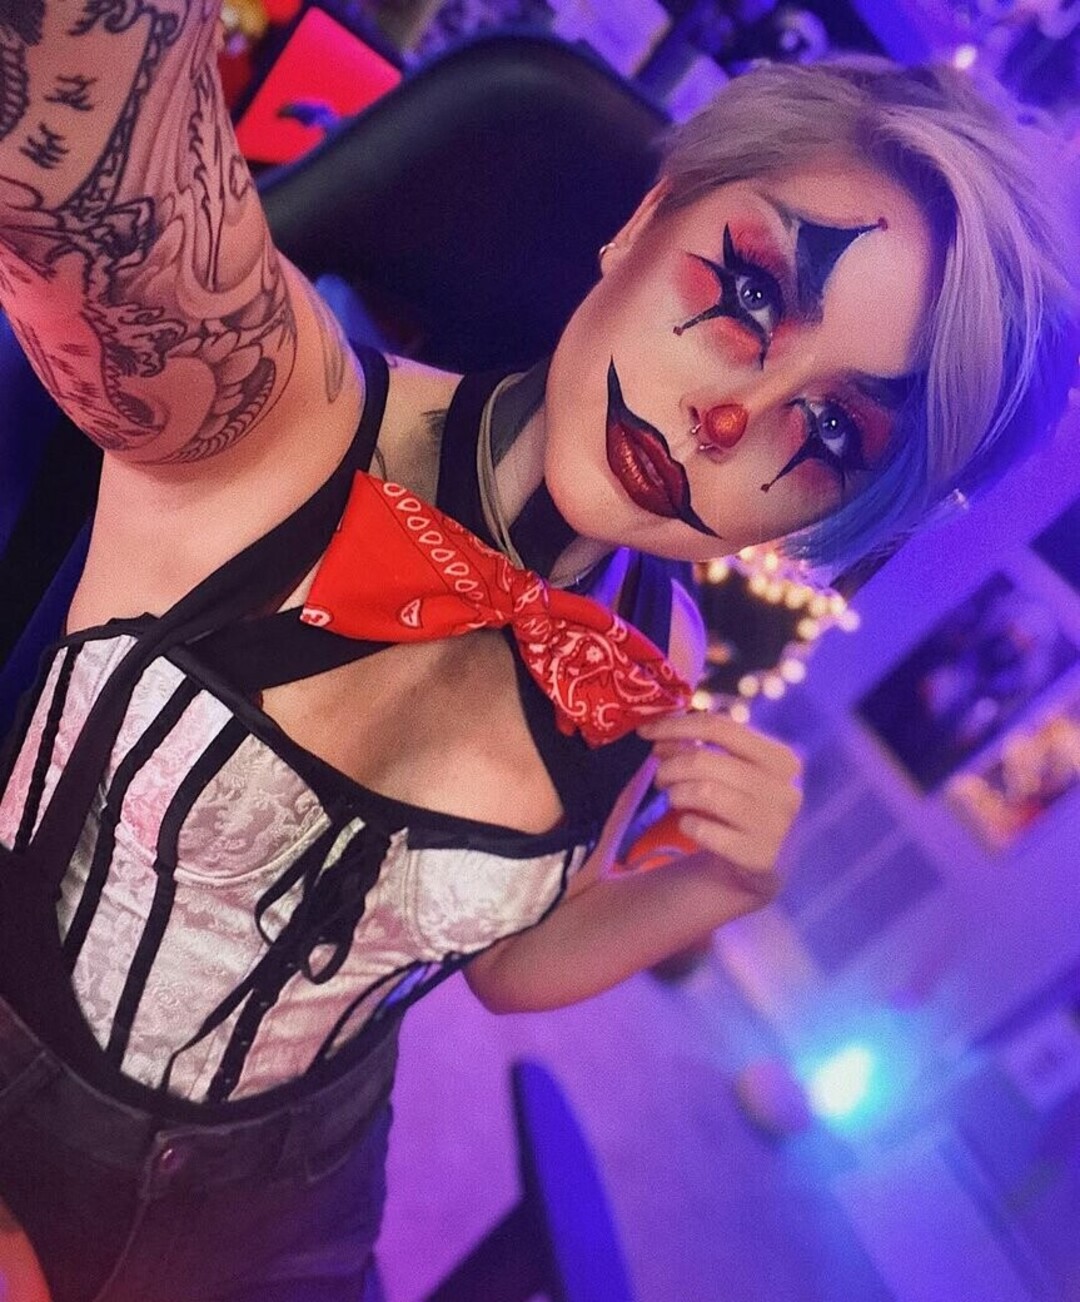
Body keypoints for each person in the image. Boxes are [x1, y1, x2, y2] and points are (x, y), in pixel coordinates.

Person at [0, 6, 1076, 1300]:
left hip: (296, 1195)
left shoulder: (655, 648)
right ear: (647, 218)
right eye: (750, 292)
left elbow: (508, 966)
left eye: (835, 431)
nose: (732, 417)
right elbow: (66, 140)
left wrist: (721, 882)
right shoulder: (266, 416)